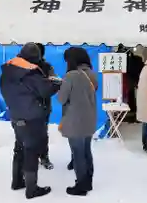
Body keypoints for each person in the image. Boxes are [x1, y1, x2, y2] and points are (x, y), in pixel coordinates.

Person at [0, 43, 61, 199]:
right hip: (32, 118)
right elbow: (45, 90)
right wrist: (56, 84)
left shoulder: (7, 71)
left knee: (19, 148)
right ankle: (32, 189)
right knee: (31, 152)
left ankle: (17, 181)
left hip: (16, 116)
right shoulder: (30, 73)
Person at [57, 47, 98, 196]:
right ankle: (88, 182)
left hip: (75, 121)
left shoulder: (71, 76)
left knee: (78, 153)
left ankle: (81, 185)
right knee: (86, 151)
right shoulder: (92, 74)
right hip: (89, 119)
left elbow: (61, 99)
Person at [35, 43, 56, 170]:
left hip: (42, 106)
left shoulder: (47, 67)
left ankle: (43, 157)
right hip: (33, 106)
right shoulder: (25, 66)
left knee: (41, 133)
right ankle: (36, 157)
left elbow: (53, 83)